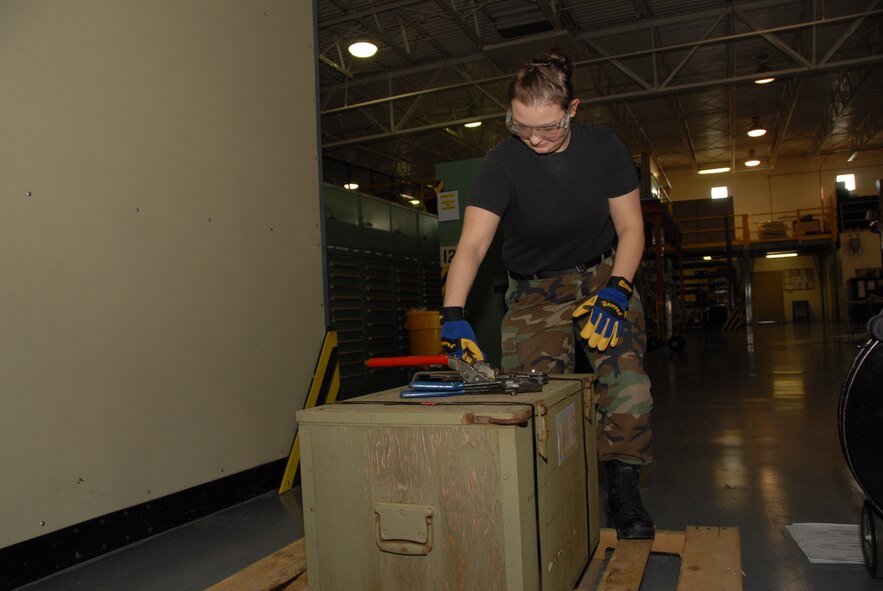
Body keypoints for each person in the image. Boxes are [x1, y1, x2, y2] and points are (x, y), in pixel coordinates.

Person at [440, 48, 655, 540]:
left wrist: (619, 290)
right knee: (533, 396)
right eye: (521, 126)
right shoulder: (502, 162)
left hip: (603, 274)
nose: (534, 138)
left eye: (548, 127)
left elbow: (631, 228)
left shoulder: (604, 149)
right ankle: (548, 493)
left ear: (572, 110)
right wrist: (452, 315)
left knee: (629, 386)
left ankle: (624, 494)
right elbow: (472, 244)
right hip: (536, 288)